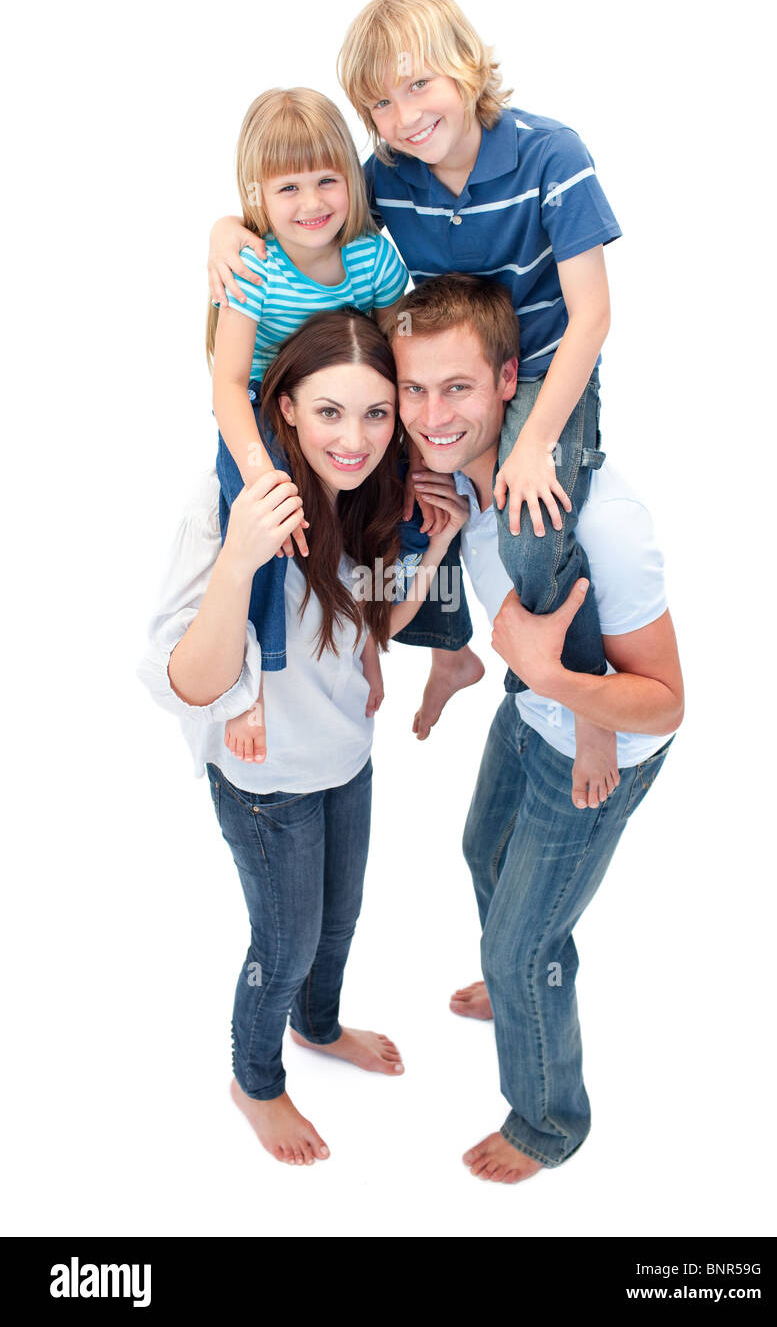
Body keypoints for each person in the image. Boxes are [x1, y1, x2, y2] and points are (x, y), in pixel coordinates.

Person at [207, 0, 622, 807]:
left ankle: (587, 698)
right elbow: (297, 199)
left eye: (419, 85)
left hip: (537, 368)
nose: (403, 116)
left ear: (467, 67)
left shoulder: (550, 153)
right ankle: (430, 647)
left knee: (525, 522)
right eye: (380, 103)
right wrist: (226, 230)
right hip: (425, 380)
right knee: (402, 505)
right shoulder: (381, 179)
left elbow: (593, 316)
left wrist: (532, 439)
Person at [138, 309, 468, 1166]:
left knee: (339, 920)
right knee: (281, 945)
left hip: (344, 754)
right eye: (328, 412)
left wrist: (435, 549)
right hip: (264, 777)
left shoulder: (369, 496)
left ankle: (318, 1028)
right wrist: (242, 559)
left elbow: (375, 622)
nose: (354, 438)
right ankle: (255, 1080)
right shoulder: (228, 504)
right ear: (282, 407)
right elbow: (180, 683)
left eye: (375, 413)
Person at [378, 274, 684, 1182]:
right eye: (415, 389)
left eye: (458, 387)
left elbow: (666, 702)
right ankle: (519, 982)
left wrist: (555, 678)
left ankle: (548, 1117)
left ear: (510, 381)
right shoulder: (466, 485)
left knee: (524, 946)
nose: (432, 415)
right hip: (533, 712)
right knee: (482, 851)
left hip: (606, 749)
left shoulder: (605, 521)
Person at [208, 87, 410, 765]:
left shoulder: (373, 259)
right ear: (258, 195)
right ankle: (250, 678)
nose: (312, 202)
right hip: (268, 413)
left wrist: (403, 451)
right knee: (261, 525)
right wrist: (262, 473)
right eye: (288, 186)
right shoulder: (255, 268)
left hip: (344, 416)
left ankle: (379, 645)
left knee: (411, 503)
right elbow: (229, 382)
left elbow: (396, 358)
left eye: (327, 180)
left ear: (351, 181)